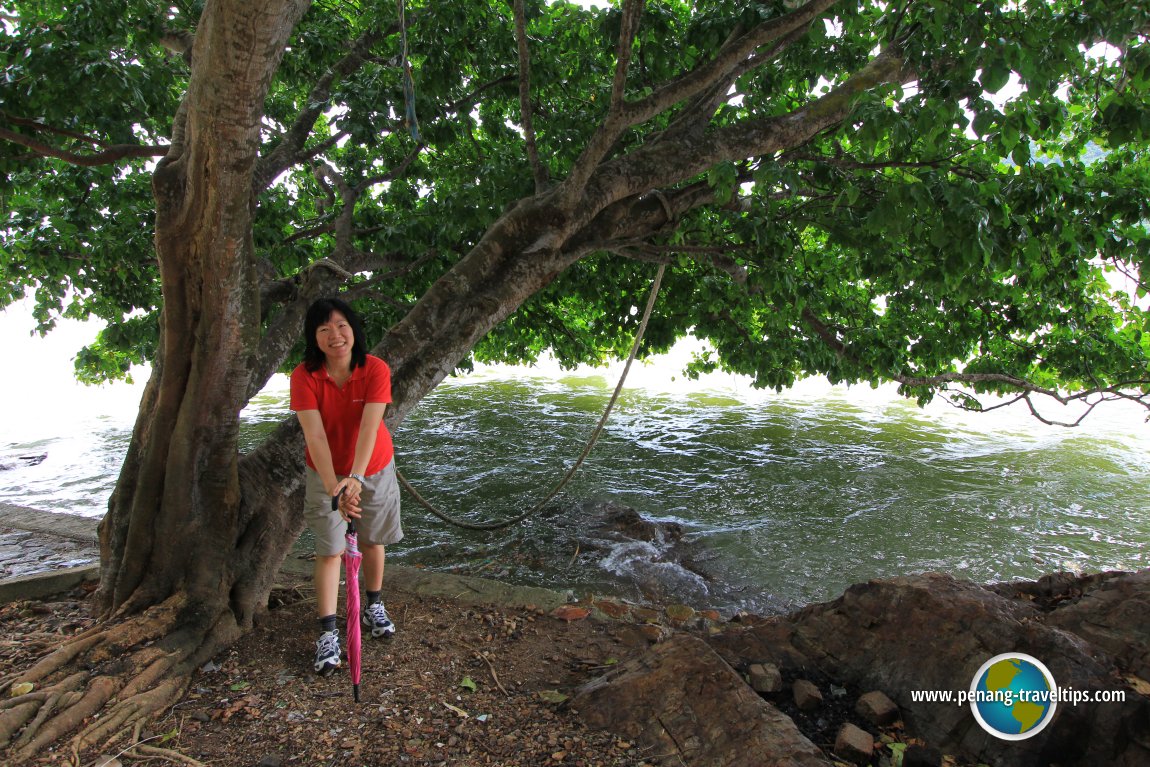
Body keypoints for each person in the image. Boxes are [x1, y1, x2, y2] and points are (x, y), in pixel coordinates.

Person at [289, 297, 403, 674]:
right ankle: (327, 632)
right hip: (325, 473)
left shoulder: (374, 369)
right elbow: (314, 436)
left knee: (372, 540)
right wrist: (335, 487)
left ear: (353, 330)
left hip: (373, 466)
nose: (335, 335)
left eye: (341, 326)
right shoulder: (304, 376)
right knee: (330, 550)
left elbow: (371, 426)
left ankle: (373, 605)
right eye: (324, 329)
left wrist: (355, 478)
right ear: (314, 337)